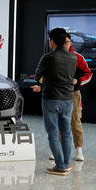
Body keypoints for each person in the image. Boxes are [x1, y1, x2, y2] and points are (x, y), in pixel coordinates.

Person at [31, 28, 77, 176]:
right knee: (66, 133)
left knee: (52, 134)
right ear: (65, 42)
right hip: (68, 100)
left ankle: (60, 166)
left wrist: (42, 82)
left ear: (52, 41)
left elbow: (37, 76)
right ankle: (66, 164)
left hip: (51, 99)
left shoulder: (48, 58)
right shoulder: (73, 58)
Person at [65, 33, 92, 161]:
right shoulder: (52, 58)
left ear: (71, 42)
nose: (65, 44)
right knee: (59, 121)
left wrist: (78, 81)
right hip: (57, 94)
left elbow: (88, 74)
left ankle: (78, 149)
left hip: (74, 94)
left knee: (75, 120)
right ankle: (57, 149)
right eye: (63, 41)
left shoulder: (78, 57)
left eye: (67, 41)